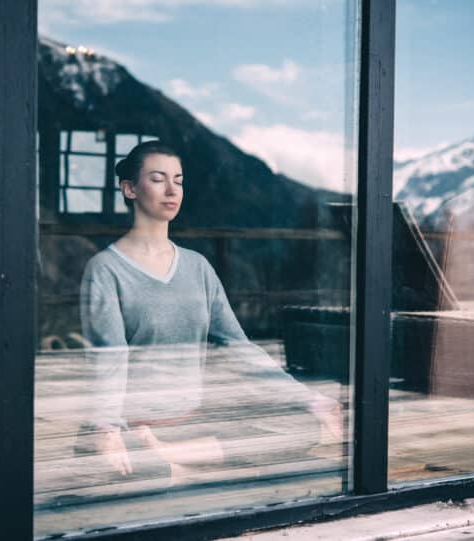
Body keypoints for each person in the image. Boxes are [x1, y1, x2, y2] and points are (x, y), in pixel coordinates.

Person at [78, 140, 342, 483]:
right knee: (142, 473)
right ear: (129, 188)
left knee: (303, 427)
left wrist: (311, 400)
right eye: (158, 179)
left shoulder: (197, 267)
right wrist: (107, 429)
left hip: (192, 420)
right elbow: (108, 358)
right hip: (134, 424)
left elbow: (239, 347)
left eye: (179, 180)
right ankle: (169, 458)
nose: (172, 189)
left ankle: (174, 457)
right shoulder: (106, 269)